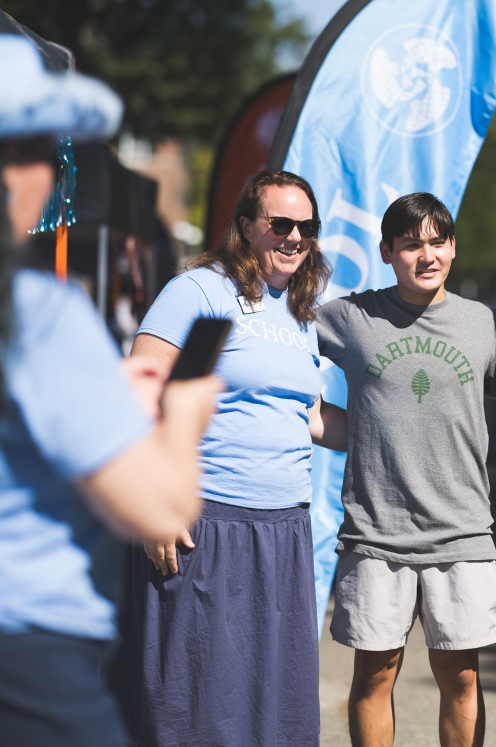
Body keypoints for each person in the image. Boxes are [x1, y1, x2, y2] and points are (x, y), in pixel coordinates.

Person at [0, 36, 218, 747]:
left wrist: (102, 399)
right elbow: (157, 502)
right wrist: (181, 414)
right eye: (38, 149)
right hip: (30, 658)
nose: (49, 174)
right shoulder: (37, 313)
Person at [116, 170, 346, 747]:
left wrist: (402, 428)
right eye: (281, 224)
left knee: (274, 702)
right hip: (206, 524)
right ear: (246, 226)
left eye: (307, 227)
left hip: (284, 530)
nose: (295, 237)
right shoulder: (204, 293)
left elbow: (311, 416)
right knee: (197, 704)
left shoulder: (299, 311)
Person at [315, 192, 496, 747]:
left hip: (461, 534)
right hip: (375, 534)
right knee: (374, 675)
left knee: (460, 678)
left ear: (453, 248)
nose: (425, 255)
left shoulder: (483, 323)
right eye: (411, 244)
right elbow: (275, 345)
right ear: (387, 252)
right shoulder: (351, 318)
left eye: (437, 242)